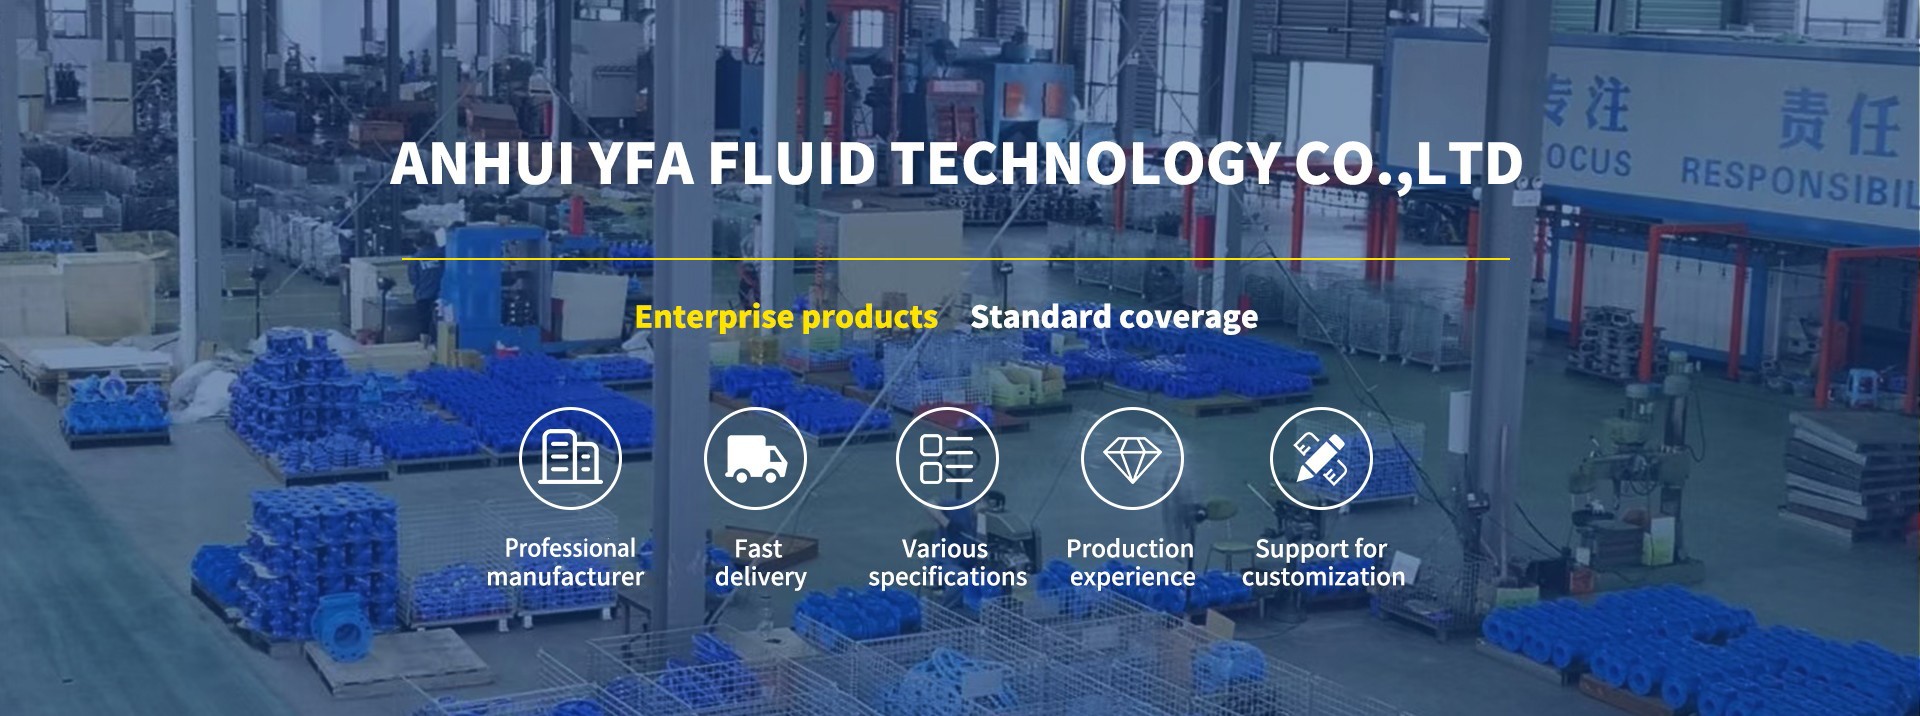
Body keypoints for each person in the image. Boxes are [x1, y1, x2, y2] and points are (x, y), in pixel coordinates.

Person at [406, 230, 445, 344]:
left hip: (423, 295)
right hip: (442, 295)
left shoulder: (415, 259)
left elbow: (413, 280)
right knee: (442, 321)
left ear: (416, 244)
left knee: (424, 324)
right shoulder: (441, 254)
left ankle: (425, 346)